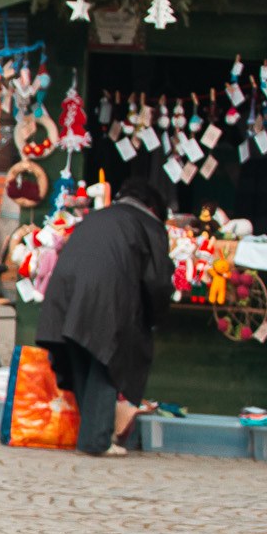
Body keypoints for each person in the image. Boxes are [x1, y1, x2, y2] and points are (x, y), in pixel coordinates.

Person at [36, 174, 172, 456]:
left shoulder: (98, 217)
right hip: (103, 297)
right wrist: (157, 314)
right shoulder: (149, 226)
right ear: (154, 208)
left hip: (65, 292)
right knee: (107, 359)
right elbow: (157, 281)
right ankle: (95, 441)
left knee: (82, 359)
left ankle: (93, 434)